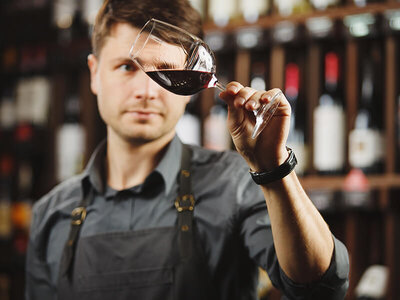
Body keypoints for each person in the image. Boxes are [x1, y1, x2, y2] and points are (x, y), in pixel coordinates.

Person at [26, 0, 349, 299]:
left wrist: (274, 168)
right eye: (127, 67)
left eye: (165, 70)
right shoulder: (50, 213)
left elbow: (321, 287)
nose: (146, 90)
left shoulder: (235, 183)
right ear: (95, 73)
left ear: (189, 86)